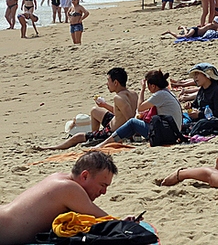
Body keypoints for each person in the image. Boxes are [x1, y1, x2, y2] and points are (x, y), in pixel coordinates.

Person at [0, 152, 140, 245]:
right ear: (84, 176)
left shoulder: (58, 177)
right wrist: (122, 223)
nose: (103, 192)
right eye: (102, 185)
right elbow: (104, 219)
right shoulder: (69, 189)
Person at [40, 68, 138, 150]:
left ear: (115, 82)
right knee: (94, 111)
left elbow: (129, 120)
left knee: (77, 137)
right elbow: (122, 112)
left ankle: (53, 147)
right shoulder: (133, 94)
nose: (106, 84)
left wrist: (128, 136)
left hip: (113, 131)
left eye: (108, 81)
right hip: (115, 122)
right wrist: (104, 105)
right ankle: (94, 135)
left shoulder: (118, 98)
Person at [95, 69, 183, 147]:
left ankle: (106, 143)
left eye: (148, 86)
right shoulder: (166, 93)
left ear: (153, 86)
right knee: (133, 124)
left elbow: (140, 107)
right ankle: (115, 140)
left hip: (167, 134)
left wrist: (142, 90)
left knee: (132, 122)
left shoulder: (159, 95)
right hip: (172, 132)